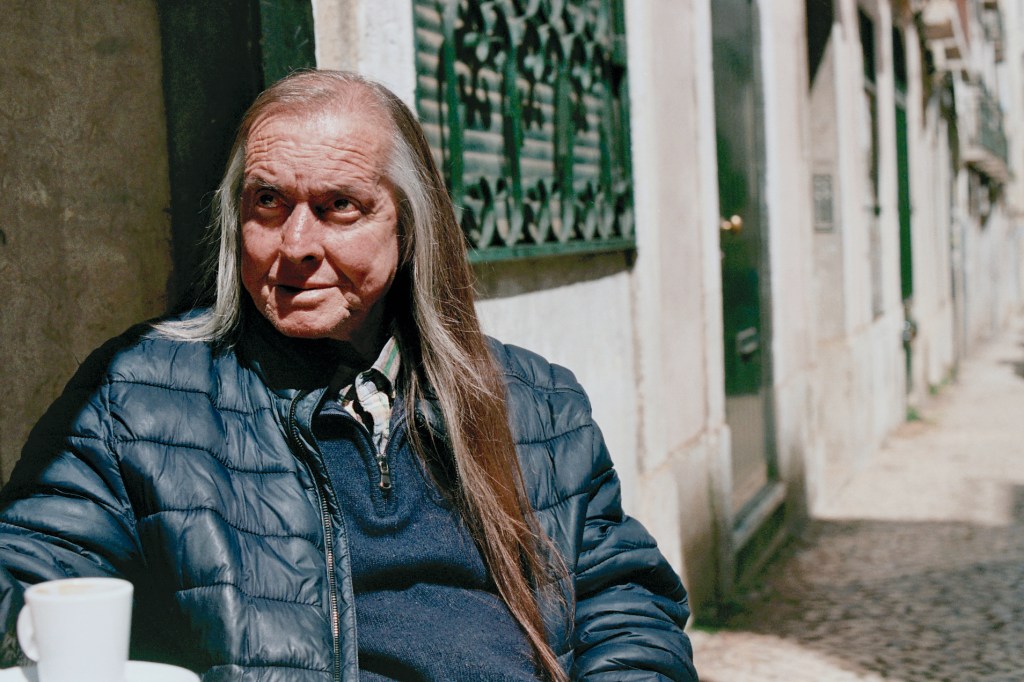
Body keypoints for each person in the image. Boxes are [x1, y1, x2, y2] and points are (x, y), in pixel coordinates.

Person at [0, 70, 697, 681]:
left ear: (409, 226)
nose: (296, 244)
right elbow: (32, 567)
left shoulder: (536, 403)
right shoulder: (142, 397)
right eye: (267, 202)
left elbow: (624, 602)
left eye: (339, 206)